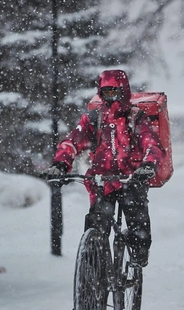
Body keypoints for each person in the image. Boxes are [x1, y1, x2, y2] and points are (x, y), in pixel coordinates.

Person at [43, 70, 164, 266]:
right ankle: (94, 271)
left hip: (131, 179)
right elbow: (73, 141)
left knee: (137, 223)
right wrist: (60, 164)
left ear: (123, 92)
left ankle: (138, 255)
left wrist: (148, 164)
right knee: (96, 225)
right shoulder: (94, 118)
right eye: (106, 93)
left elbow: (151, 144)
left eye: (114, 92)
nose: (110, 98)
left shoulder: (136, 117)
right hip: (101, 181)